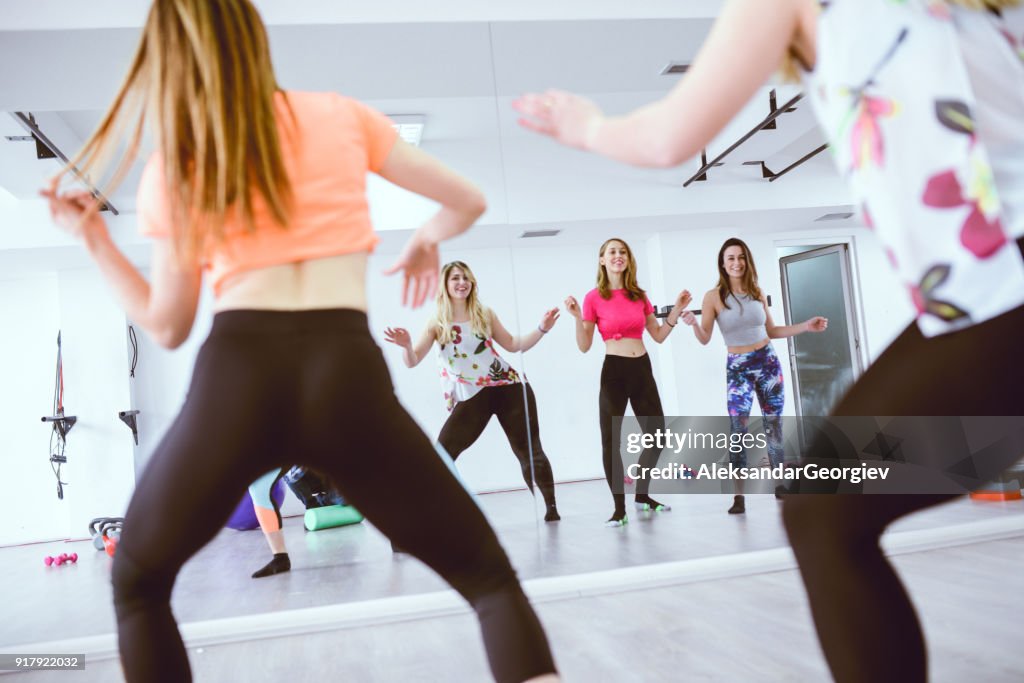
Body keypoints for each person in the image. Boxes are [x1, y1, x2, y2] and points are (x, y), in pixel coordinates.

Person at [41, 2, 558, 681]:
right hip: (343, 369)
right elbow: (468, 199)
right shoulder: (340, 115)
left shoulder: (184, 156)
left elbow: (165, 323)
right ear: (255, 36)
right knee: (490, 579)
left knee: (138, 581)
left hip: (238, 372)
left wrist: (93, 238)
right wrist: (429, 238)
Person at [513, 0, 1024, 680]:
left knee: (819, 511)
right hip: (984, 294)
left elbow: (666, 138)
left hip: (995, 288)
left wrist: (587, 125)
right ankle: (677, 491)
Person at [384, 261, 562, 522]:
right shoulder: (437, 322)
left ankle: (551, 509)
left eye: (466, 278)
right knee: (441, 457)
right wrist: (407, 345)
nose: (462, 282)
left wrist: (542, 328)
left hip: (509, 387)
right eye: (455, 278)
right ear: (445, 285)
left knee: (529, 451)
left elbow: (513, 345)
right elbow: (412, 361)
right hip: (474, 395)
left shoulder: (484, 313)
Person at [682, 237, 827, 514]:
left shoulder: (756, 291)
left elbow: (771, 331)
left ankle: (780, 487)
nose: (736, 263)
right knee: (738, 431)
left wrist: (806, 326)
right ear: (723, 265)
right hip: (738, 368)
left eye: (740, 257)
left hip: (768, 363)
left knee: (774, 426)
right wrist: (692, 324)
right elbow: (704, 338)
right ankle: (739, 497)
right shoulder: (713, 297)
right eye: (731, 258)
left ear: (746, 260)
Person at [564, 238, 691, 526]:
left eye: (622, 252)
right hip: (614, 371)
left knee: (657, 436)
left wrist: (676, 309)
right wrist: (575, 317)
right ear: (602, 259)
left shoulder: (638, 295)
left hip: (641, 368)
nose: (618, 256)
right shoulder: (593, 298)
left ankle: (642, 496)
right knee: (611, 441)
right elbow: (584, 345)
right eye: (612, 252)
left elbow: (657, 335)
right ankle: (619, 508)